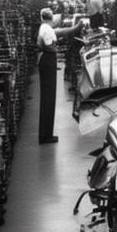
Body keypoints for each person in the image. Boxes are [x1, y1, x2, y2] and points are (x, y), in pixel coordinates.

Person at [36, 8, 82, 144]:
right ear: (52, 18)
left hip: (46, 60)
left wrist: (74, 28)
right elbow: (49, 46)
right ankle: (45, 136)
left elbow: (57, 33)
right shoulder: (47, 29)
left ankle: (46, 134)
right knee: (48, 98)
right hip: (47, 60)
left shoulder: (44, 27)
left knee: (48, 98)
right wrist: (56, 47)